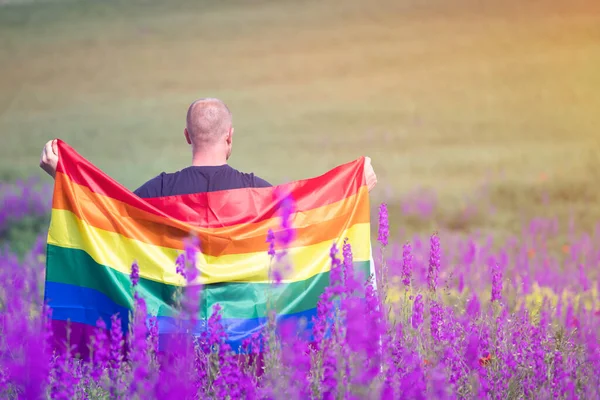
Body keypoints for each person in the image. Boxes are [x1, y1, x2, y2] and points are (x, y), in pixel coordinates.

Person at [39, 97, 377, 196]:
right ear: (230, 135)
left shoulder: (159, 191)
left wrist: (63, 176)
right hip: (243, 336)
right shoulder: (256, 193)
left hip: (175, 333)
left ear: (187, 136)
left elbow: (110, 213)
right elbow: (307, 221)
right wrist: (354, 189)